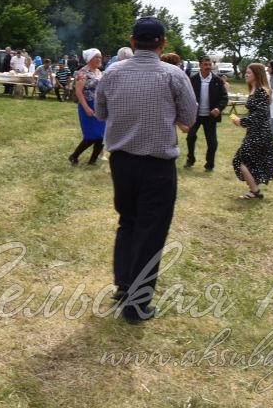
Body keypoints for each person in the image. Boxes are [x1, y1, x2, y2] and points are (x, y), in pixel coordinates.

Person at [94, 16, 197, 324]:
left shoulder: (112, 73)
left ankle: (124, 285)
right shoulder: (173, 75)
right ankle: (137, 306)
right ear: (162, 44)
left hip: (122, 160)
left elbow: (101, 112)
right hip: (157, 164)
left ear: (133, 40)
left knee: (128, 222)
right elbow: (189, 116)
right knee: (151, 231)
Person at [230, 63, 273, 199]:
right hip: (254, 131)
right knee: (249, 161)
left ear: (257, 74)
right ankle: (253, 190)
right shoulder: (255, 89)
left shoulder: (261, 91)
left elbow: (260, 115)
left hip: (260, 133)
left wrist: (241, 121)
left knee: (240, 159)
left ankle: (255, 190)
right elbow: (255, 113)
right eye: (246, 72)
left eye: (249, 73)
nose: (246, 74)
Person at [185, 56, 229, 172]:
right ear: (200, 66)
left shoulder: (217, 81)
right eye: (205, 64)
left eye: (210, 65)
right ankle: (190, 160)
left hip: (210, 116)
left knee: (212, 142)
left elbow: (224, 98)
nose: (208, 67)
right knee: (190, 137)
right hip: (195, 116)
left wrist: (218, 109)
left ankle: (209, 165)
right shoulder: (192, 80)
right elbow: (187, 97)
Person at [69, 48, 106, 165]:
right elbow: (79, 92)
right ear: (90, 59)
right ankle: (74, 156)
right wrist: (86, 108)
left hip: (99, 106)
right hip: (88, 104)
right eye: (96, 57)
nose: (99, 59)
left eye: (100, 57)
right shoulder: (82, 73)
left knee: (102, 136)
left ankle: (92, 161)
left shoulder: (99, 72)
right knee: (91, 136)